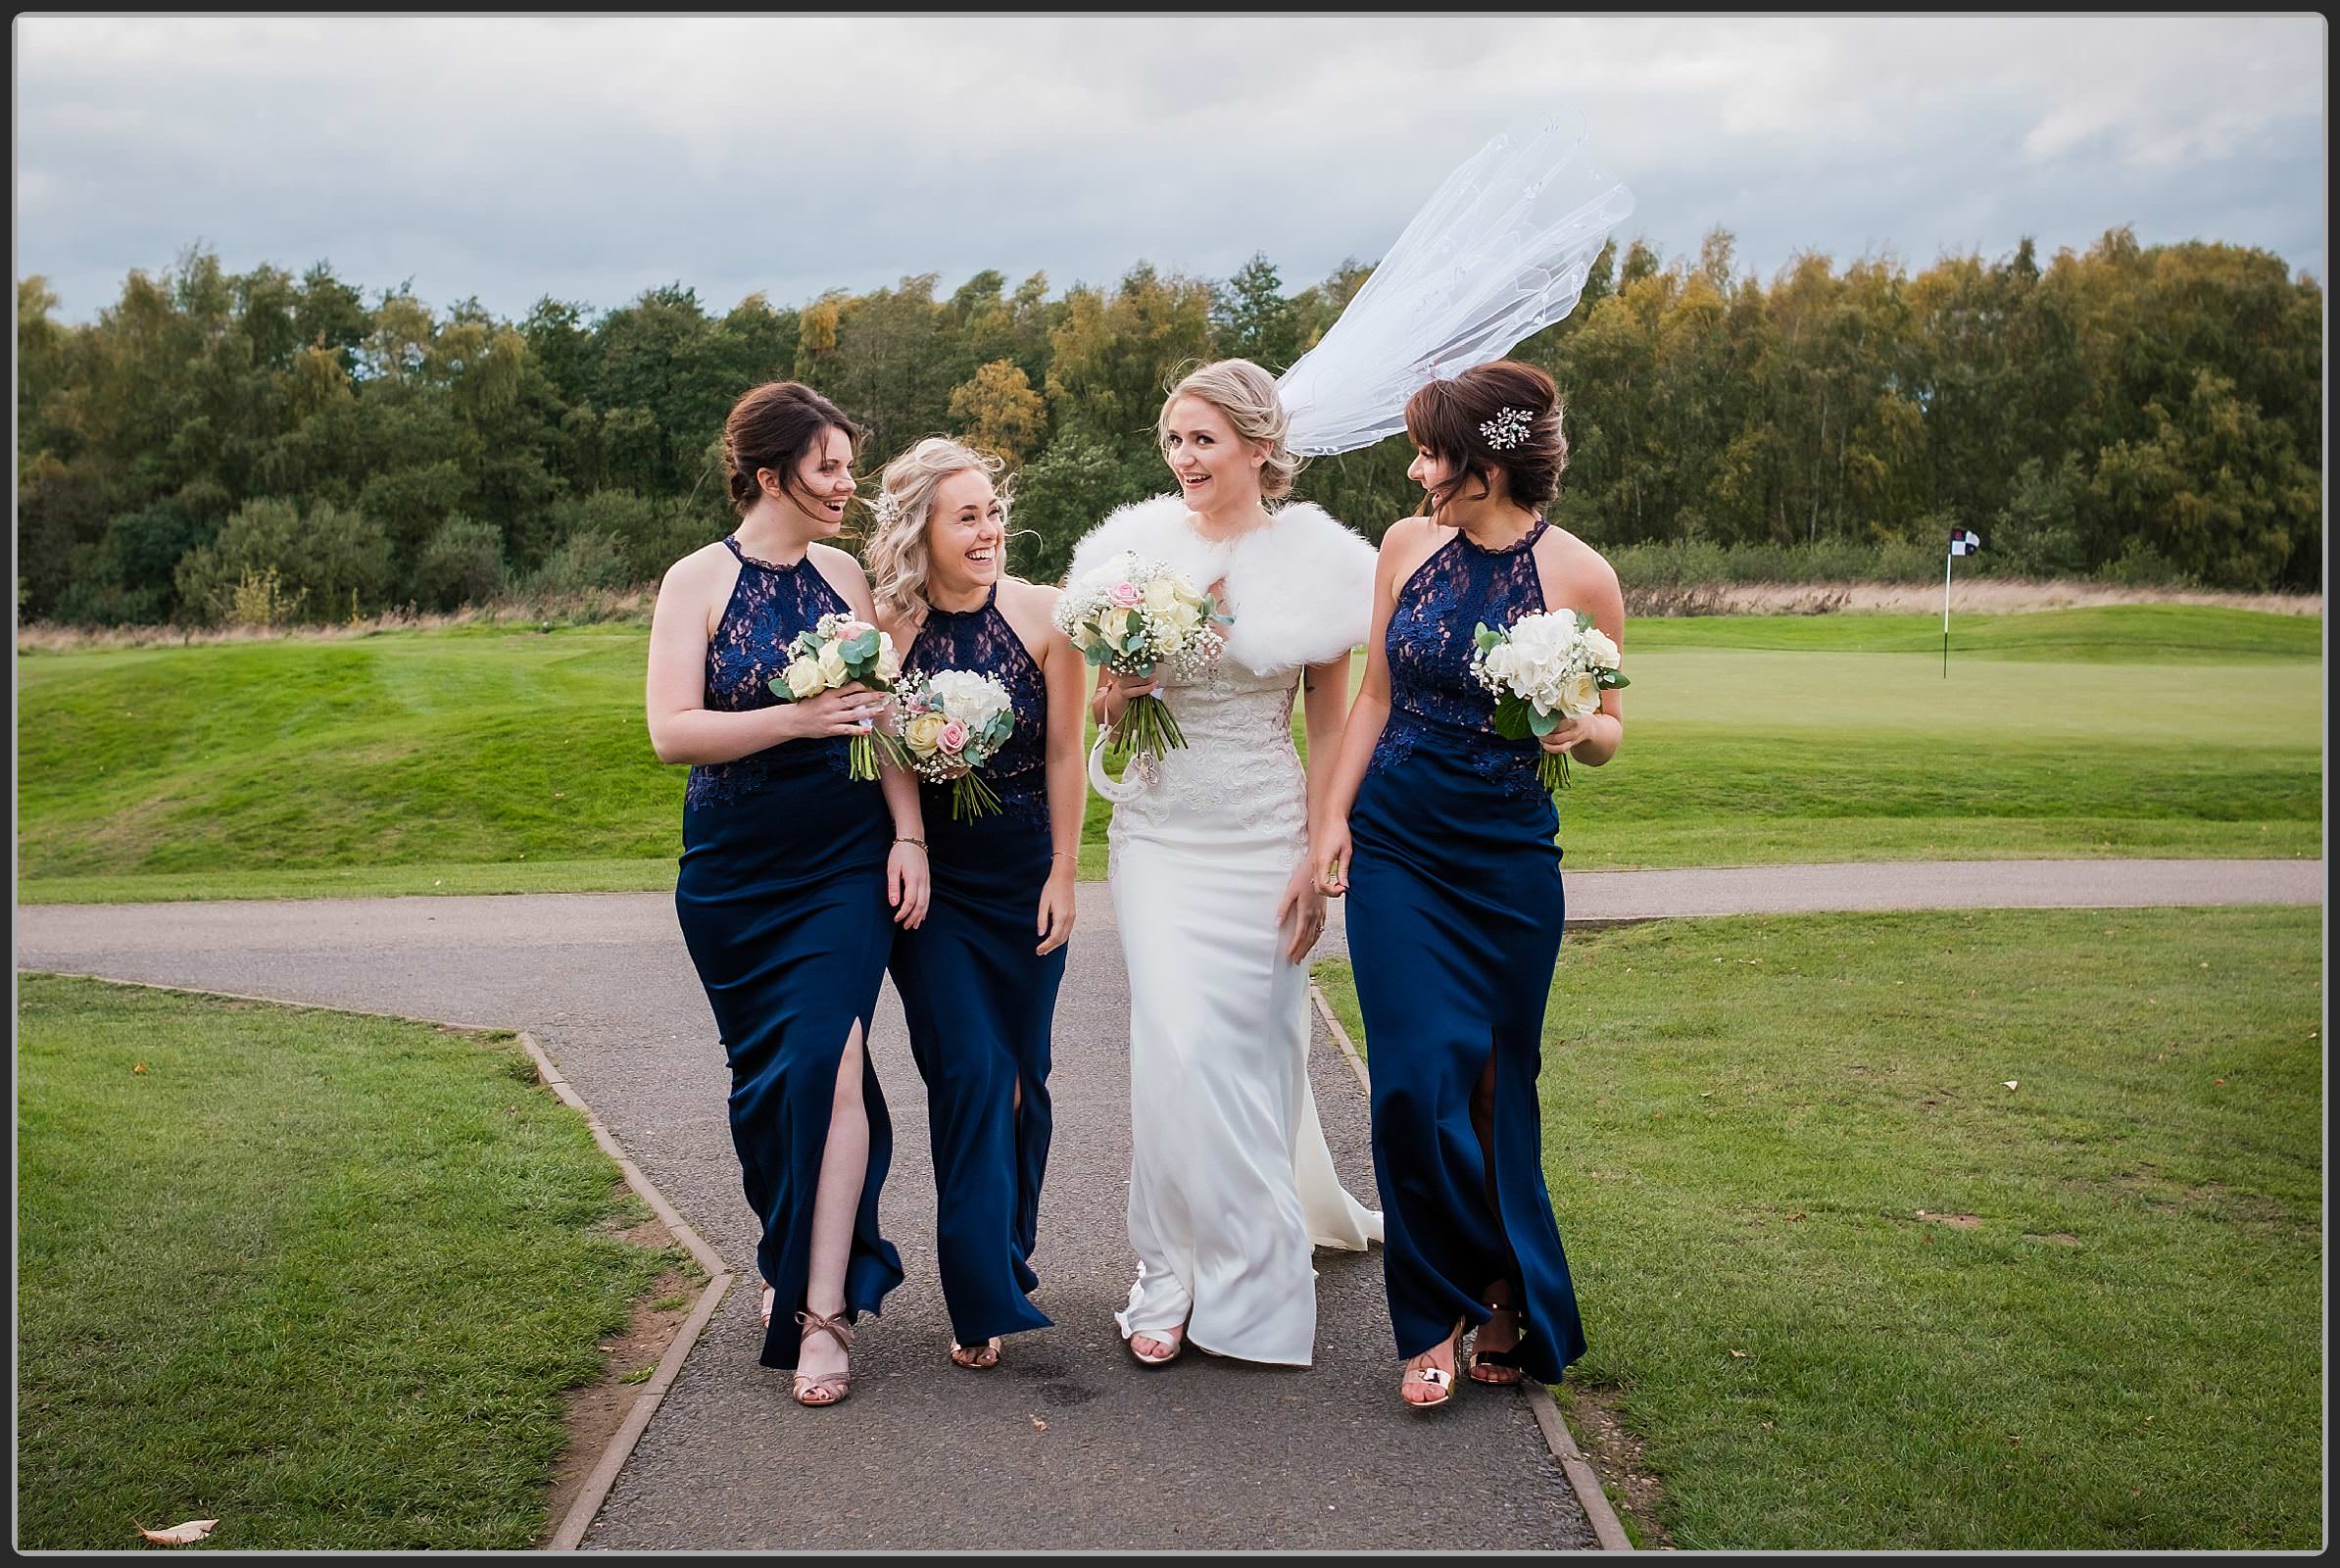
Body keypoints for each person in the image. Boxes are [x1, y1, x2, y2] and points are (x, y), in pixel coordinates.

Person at [1311, 360, 1624, 1408]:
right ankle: (1431, 1309)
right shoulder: (1409, 545)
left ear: (1483, 471)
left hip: (1507, 862)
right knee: (1411, 1082)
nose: (1415, 470)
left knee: (1494, 1088)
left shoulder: (1582, 577)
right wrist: (1332, 819)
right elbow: (1374, 698)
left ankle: (1501, 1292)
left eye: (1431, 454)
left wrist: (1584, 731)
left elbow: (1615, 726)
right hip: (1400, 844)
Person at [1072, 359, 1384, 1370]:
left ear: (1259, 446)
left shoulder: (1323, 563)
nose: (1185, 458)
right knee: (1177, 1044)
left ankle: (1251, 1278)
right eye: (1173, 440)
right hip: (1159, 835)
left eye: (1203, 439)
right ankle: (1167, 1272)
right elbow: (1100, 709)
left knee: (1251, 1055)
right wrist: (1129, 674)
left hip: (1262, 831)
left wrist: (1321, 842)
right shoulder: (1134, 548)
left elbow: (1334, 722)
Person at [644, 380, 931, 1408]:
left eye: (849, 466)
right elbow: (673, 730)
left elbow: (879, 714)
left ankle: (822, 1312)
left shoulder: (845, 573)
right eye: (829, 468)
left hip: (841, 861)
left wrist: (907, 831)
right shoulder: (696, 581)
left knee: (828, 1063)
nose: (848, 484)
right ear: (770, 475)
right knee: (766, 1085)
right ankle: (788, 1248)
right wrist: (794, 720)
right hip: (731, 873)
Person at [864, 437, 1085, 1371]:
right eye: (968, 516)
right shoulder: (887, 629)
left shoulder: (1043, 616)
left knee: (1025, 1079)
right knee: (969, 1074)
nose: (990, 529)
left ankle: (1008, 1257)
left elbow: (1067, 752)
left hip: (1026, 876)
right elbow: (883, 748)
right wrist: (909, 839)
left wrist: (1067, 872)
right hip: (936, 895)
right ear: (923, 529)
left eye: (994, 511)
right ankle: (975, 1293)